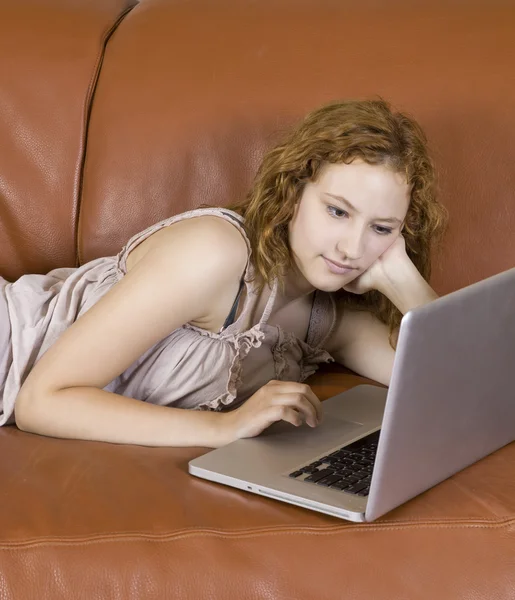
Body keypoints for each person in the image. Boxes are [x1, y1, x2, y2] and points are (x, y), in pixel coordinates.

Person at [0, 98, 447, 448]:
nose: (352, 248)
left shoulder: (325, 321)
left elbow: (461, 383)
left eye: (380, 228)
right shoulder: (215, 254)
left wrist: (403, 280)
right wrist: (226, 428)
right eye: (337, 211)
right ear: (292, 192)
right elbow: (41, 401)